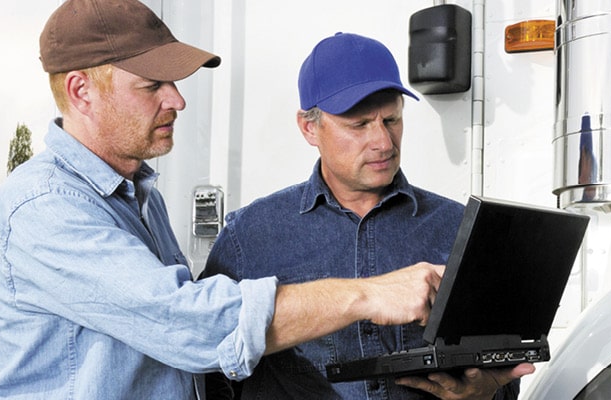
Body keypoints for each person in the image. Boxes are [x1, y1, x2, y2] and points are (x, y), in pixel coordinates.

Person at [0, 2, 446, 399]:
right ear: (81, 91)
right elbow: (192, 325)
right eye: (152, 85)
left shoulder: (136, 195)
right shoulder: (43, 209)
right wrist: (368, 294)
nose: (177, 101)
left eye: (174, 83)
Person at [199, 32, 534, 400]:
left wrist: (483, 393)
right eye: (359, 125)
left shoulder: (457, 230)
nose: (384, 143)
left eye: (391, 120)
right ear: (310, 127)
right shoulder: (250, 236)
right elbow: (208, 365)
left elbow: (501, 373)